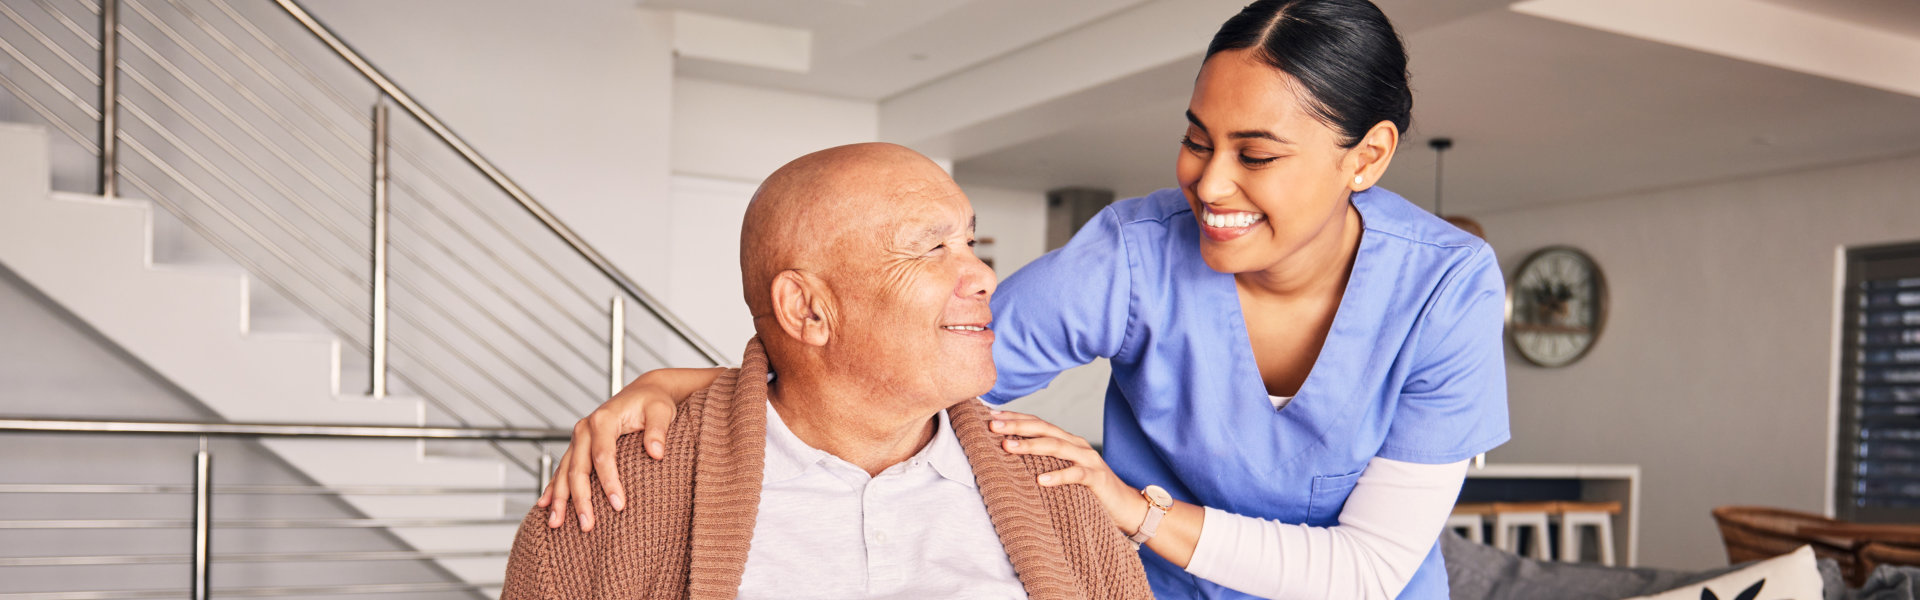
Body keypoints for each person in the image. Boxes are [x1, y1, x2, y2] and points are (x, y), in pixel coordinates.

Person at [539, 1, 1509, 598]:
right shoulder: (1135, 253)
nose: (1209, 184)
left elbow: (1367, 572)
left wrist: (1127, 510)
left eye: (1256, 154)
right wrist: (708, 386)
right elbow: (897, 356)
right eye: (1196, 138)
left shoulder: (1444, 288)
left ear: (1370, 157)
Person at [500, 143, 1151, 599]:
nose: (983, 275)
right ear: (807, 308)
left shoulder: (1058, 484)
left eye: (971, 244)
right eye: (932, 248)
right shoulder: (620, 495)